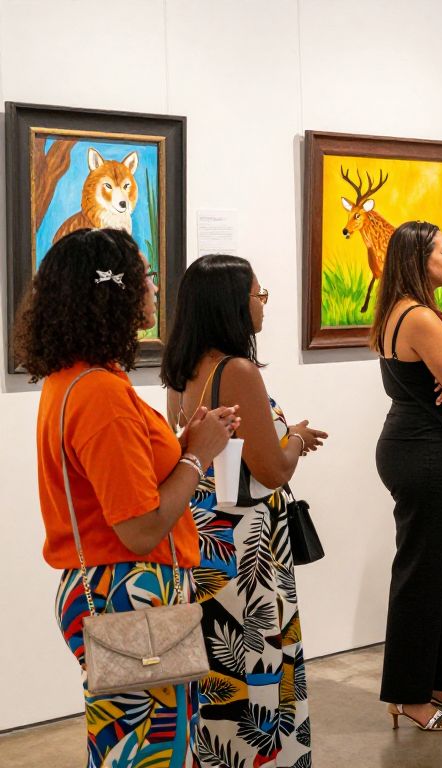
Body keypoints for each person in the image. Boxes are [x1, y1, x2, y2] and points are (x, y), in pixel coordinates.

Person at [14, 228, 237, 768]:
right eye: (145, 275)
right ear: (112, 290)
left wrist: (182, 448)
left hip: (116, 588)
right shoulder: (101, 394)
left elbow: (130, 486)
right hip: (130, 590)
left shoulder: (76, 380)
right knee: (149, 755)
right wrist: (197, 456)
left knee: (130, 749)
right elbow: (139, 527)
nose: (155, 287)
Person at [161, 254, 328, 767]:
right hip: (247, 549)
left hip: (203, 534)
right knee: (255, 667)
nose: (263, 303)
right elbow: (273, 469)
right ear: (232, 304)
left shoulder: (181, 374)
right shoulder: (236, 370)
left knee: (215, 665)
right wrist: (295, 438)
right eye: (259, 293)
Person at [370, 220, 442, 732]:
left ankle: (433, 681)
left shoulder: (398, 310)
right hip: (424, 453)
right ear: (419, 260)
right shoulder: (421, 318)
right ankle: (409, 695)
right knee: (421, 574)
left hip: (415, 445)